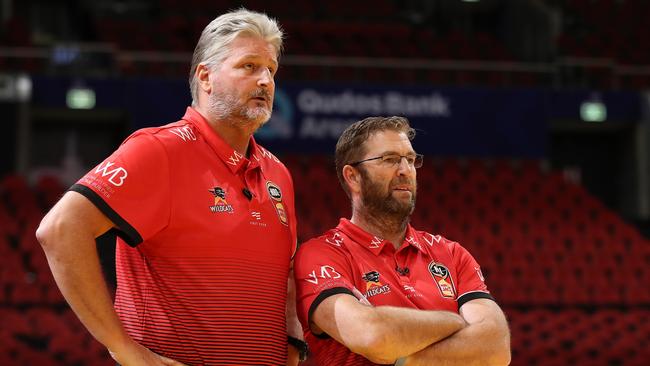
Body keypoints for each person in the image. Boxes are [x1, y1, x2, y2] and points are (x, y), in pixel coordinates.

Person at [36, 9, 306, 366]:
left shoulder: (278, 173)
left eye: (270, 70)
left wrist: (293, 343)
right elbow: (60, 230)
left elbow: (284, 273)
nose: (265, 81)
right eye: (249, 66)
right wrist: (122, 346)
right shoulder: (161, 149)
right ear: (205, 78)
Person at [294, 116, 511, 365]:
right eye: (390, 160)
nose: (405, 170)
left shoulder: (451, 254)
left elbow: (496, 347)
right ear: (353, 176)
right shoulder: (319, 255)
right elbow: (373, 335)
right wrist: (456, 322)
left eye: (410, 159)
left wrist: (402, 358)